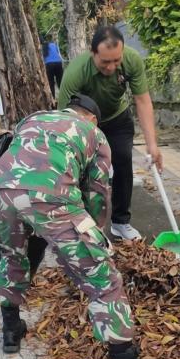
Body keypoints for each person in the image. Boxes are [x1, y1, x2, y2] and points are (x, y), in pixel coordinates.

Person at [0, 94, 137, 359]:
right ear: (92, 118)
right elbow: (98, 192)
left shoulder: (33, 118)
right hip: (50, 195)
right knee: (103, 277)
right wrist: (94, 238)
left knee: (12, 257)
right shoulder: (94, 133)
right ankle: (122, 353)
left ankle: (11, 331)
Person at [57, 25, 162, 241]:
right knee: (85, 172)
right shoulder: (76, 73)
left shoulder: (131, 60)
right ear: (93, 53)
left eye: (116, 60)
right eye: (105, 62)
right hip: (85, 124)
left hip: (117, 118)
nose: (112, 67)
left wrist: (152, 143)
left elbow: (142, 100)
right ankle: (84, 225)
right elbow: (64, 118)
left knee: (123, 161)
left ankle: (120, 223)